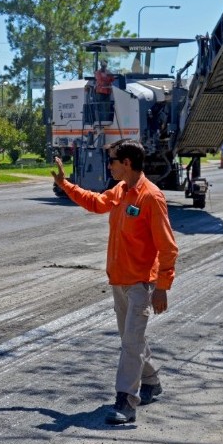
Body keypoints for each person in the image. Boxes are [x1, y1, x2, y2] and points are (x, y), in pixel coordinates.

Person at [51, 138, 178, 425]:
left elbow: (168, 247)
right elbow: (96, 203)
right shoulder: (121, 190)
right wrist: (65, 184)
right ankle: (151, 381)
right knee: (130, 339)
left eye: (113, 161)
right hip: (119, 281)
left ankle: (126, 401)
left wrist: (162, 287)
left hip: (141, 284)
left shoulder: (151, 197)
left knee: (131, 342)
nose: (109, 165)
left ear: (127, 164)